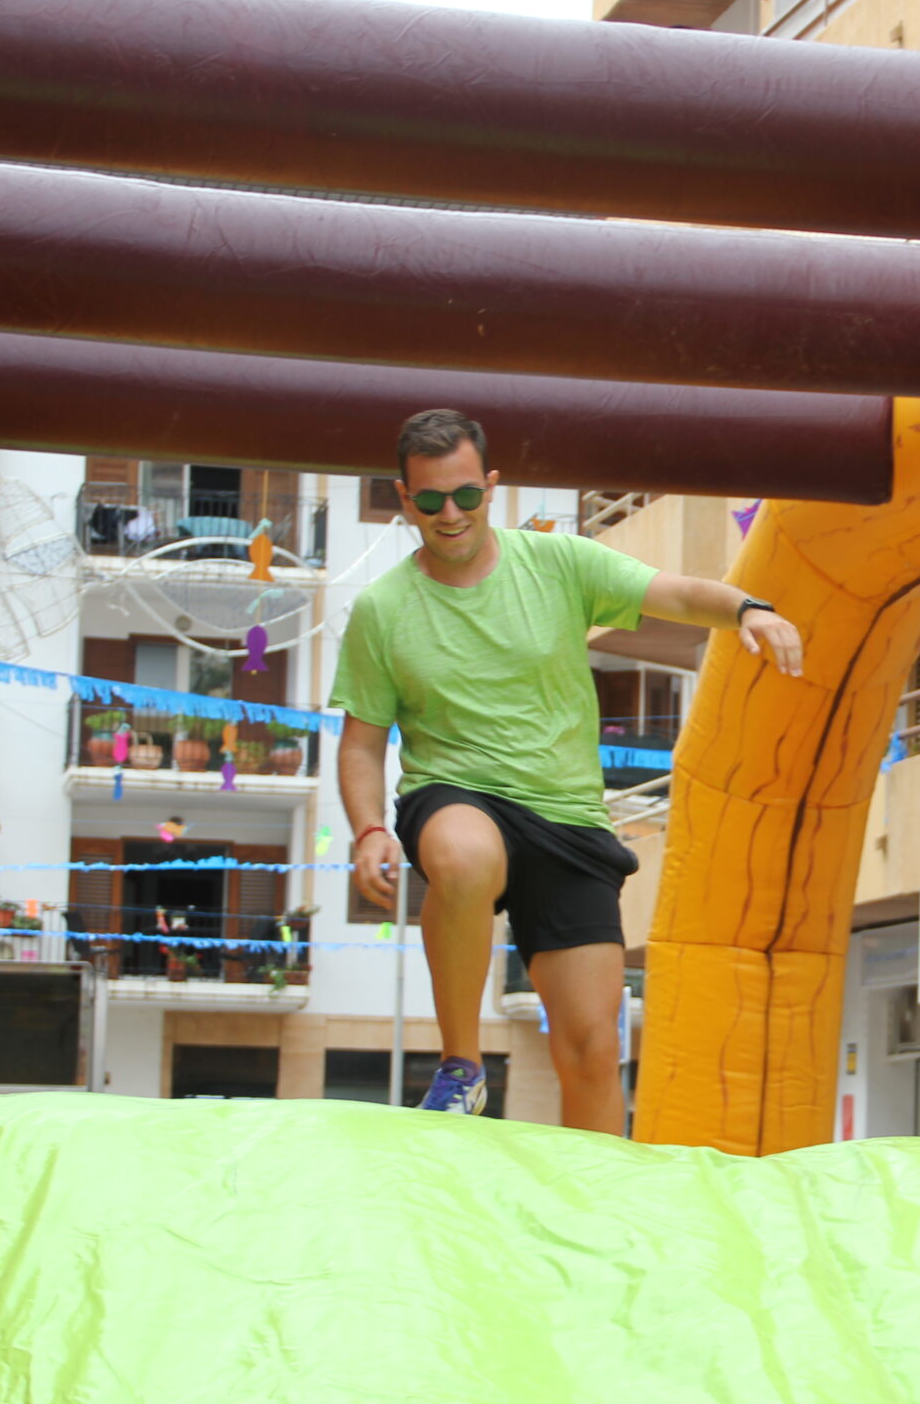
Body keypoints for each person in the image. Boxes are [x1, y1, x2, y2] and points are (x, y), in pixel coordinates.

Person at [332, 409, 805, 1130]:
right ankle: (461, 1066)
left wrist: (747, 608)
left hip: (567, 816)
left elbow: (672, 593)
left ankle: (601, 1208)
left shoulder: (559, 563)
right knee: (462, 856)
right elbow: (362, 741)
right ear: (405, 499)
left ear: (492, 487)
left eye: (465, 495)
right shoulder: (383, 609)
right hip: (457, 790)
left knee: (589, 1047)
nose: (450, 514)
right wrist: (369, 828)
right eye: (430, 500)